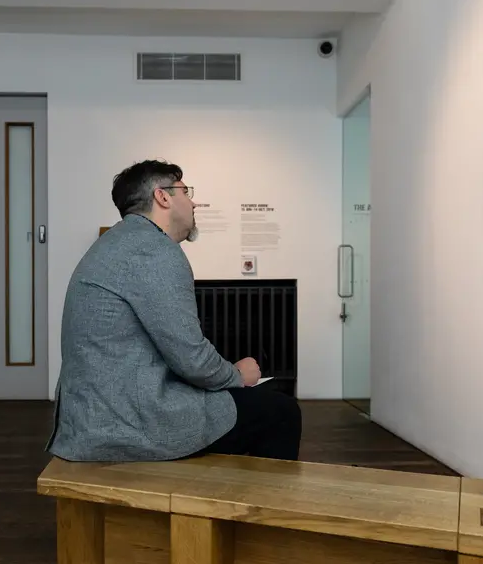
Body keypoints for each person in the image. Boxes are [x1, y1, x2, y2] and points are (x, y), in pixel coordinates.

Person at [45, 159, 302, 462]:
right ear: (162, 196)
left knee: (252, 408)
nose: (194, 203)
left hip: (91, 415)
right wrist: (236, 374)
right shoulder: (154, 250)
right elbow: (191, 358)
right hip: (121, 422)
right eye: (186, 191)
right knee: (282, 411)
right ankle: (254, 508)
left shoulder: (118, 242)